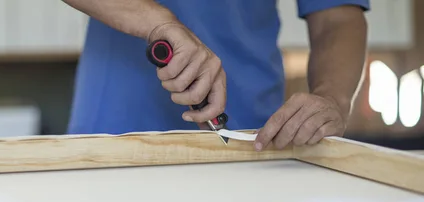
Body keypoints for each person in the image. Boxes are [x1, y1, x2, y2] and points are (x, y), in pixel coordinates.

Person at [63, 0, 369, 151]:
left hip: (257, 141)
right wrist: (157, 23)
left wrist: (332, 98)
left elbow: (337, 16)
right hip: (113, 138)